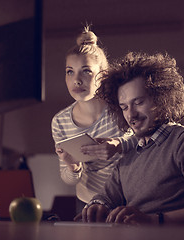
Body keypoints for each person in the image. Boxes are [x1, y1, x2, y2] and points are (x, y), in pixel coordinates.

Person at [82, 52, 184, 225]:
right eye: (124, 107)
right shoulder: (128, 157)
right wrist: (96, 206)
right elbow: (105, 198)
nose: (131, 114)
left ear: (161, 99)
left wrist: (154, 220)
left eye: (139, 102)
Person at [51, 27, 136, 214]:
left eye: (86, 71)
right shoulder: (60, 121)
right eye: (70, 72)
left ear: (103, 75)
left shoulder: (121, 108)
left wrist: (118, 145)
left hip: (128, 200)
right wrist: (71, 164)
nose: (77, 80)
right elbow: (69, 179)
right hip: (88, 202)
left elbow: (147, 144)